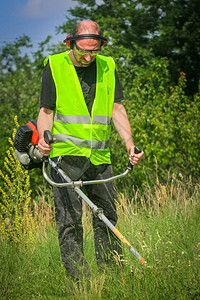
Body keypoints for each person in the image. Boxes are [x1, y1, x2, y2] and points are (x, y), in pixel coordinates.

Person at [37, 20, 143, 280]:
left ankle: (112, 277)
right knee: (70, 223)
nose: (88, 56)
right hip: (64, 158)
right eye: (82, 50)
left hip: (99, 156)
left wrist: (129, 143)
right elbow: (46, 111)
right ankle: (81, 284)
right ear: (70, 42)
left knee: (107, 216)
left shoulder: (108, 66)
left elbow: (116, 108)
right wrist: (42, 140)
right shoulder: (55, 65)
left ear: (100, 45)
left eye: (93, 51)